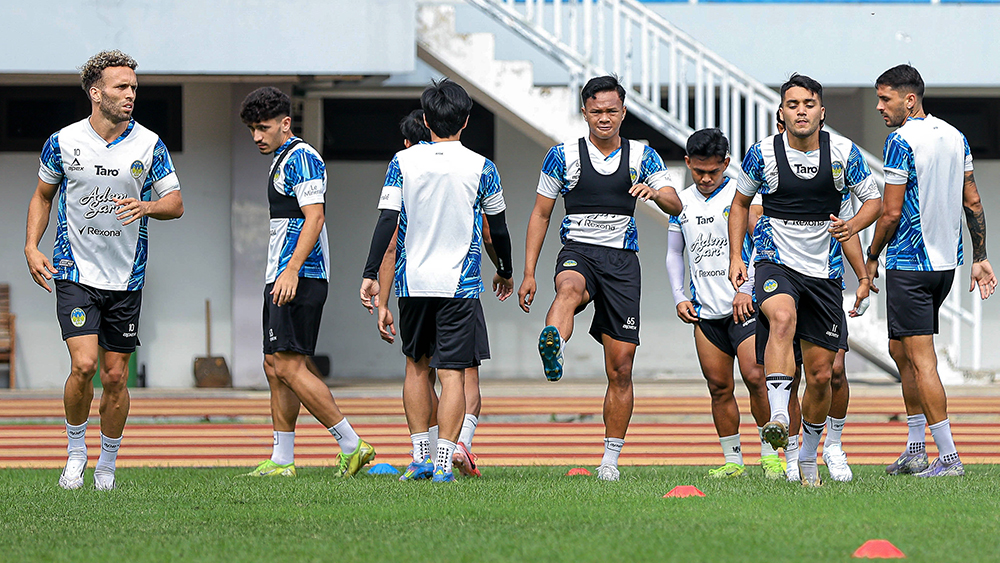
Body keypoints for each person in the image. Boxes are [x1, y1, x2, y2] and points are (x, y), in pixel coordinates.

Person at [24, 50, 184, 490]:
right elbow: (43, 196)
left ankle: (107, 464)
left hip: (126, 278)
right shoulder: (63, 141)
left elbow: (176, 203)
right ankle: (76, 452)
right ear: (96, 93)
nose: (130, 94)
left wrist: (148, 205)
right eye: (121, 87)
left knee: (115, 375)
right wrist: (31, 246)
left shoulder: (150, 145)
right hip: (75, 272)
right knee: (85, 366)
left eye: (134, 87)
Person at [517, 75, 681, 481]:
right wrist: (528, 273)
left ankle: (610, 459)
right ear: (584, 112)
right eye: (596, 111)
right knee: (568, 289)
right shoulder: (562, 156)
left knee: (621, 368)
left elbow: (676, 204)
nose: (604, 118)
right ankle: (553, 343)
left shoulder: (643, 156)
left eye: (611, 111)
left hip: (622, 263)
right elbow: (540, 214)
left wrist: (655, 193)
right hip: (578, 251)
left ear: (623, 112)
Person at [729, 74, 882, 486]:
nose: (801, 110)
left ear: (821, 112)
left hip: (825, 274)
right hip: (775, 262)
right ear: (782, 111)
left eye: (809, 103)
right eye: (793, 104)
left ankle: (813, 455)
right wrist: (735, 259)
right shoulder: (761, 154)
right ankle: (779, 415)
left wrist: (852, 228)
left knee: (821, 376)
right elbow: (740, 204)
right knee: (780, 317)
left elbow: (875, 201)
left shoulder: (845, 153)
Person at [360, 79, 514, 483]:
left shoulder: (402, 161)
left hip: (413, 283)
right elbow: (497, 228)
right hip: (459, 286)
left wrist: (370, 273)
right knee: (452, 375)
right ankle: (445, 465)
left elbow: (386, 221)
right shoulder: (483, 166)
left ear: (426, 120)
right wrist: (508, 269)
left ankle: (420, 458)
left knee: (415, 368)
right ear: (465, 120)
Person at [867, 64, 996, 477]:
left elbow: (889, 213)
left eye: (885, 99)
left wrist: (871, 255)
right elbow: (972, 202)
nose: (879, 106)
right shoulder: (955, 136)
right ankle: (915, 448)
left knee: (921, 361)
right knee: (900, 351)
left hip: (909, 264)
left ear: (909, 99)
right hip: (944, 266)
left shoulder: (900, 140)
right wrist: (980, 257)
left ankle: (950, 458)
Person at [240, 86, 375, 479]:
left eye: (263, 128)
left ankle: (352, 444)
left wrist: (293, 269)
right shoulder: (282, 158)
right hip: (282, 275)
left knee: (289, 364)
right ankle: (282, 459)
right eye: (251, 129)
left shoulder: (302, 158)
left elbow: (314, 218)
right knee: (274, 365)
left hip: (299, 277)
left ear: (286, 123)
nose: (257, 137)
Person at [666, 128, 777, 479]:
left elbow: (762, 246)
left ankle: (771, 456)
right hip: (704, 313)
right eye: (698, 171)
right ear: (687, 163)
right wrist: (680, 296)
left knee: (756, 378)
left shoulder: (744, 198)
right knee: (719, 387)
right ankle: (733, 461)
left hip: (743, 306)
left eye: (713, 171)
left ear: (726, 164)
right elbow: (673, 254)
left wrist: (749, 289)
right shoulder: (680, 203)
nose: (706, 178)